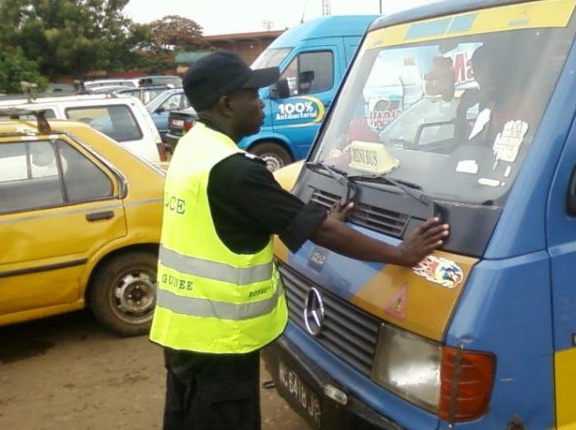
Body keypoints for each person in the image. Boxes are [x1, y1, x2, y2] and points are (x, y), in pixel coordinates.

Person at [148, 51, 450, 430]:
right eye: (252, 94)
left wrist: (319, 220)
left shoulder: (194, 148)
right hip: (220, 340)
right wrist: (400, 253)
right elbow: (317, 230)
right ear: (226, 105)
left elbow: (252, 218)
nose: (262, 102)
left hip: (183, 331)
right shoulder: (235, 171)